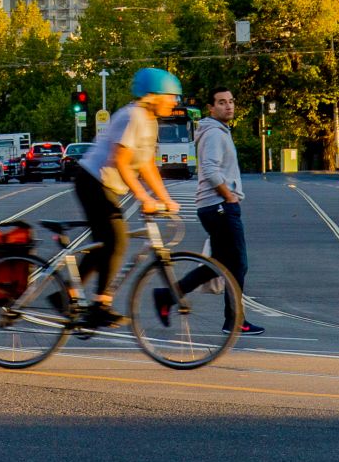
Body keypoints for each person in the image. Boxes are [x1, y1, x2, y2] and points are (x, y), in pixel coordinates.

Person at [69, 67, 181, 329]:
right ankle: (100, 305)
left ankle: (67, 294)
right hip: (92, 181)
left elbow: (147, 165)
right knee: (115, 240)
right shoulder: (132, 116)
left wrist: (166, 199)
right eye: (171, 96)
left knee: (105, 243)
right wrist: (144, 198)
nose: (175, 102)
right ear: (154, 95)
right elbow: (119, 161)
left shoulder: (149, 121)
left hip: (104, 185)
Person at [162, 85, 262, 335]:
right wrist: (229, 197)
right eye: (221, 102)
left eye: (231, 101)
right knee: (237, 264)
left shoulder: (218, 131)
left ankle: (170, 296)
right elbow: (209, 169)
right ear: (211, 107)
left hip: (215, 207)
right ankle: (234, 319)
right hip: (218, 206)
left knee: (224, 264)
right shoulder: (215, 134)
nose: (228, 106)